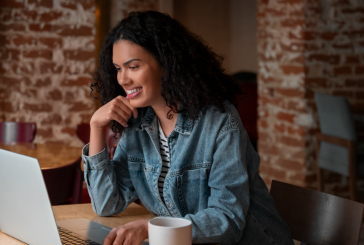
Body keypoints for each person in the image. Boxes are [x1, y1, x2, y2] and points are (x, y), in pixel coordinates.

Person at [82, 11, 294, 245]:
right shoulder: (138, 124)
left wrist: (151, 229)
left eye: (133, 66)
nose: (122, 79)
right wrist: (96, 126)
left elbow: (226, 219)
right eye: (118, 68)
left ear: (165, 63)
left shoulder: (219, 121)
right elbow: (106, 204)